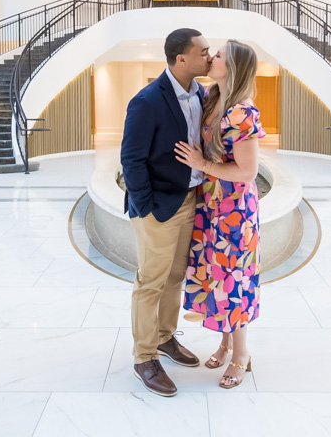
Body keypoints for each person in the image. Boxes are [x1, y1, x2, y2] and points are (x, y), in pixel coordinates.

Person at [120, 27, 212, 398]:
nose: (210, 56)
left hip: (190, 198)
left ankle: (164, 338)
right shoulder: (147, 101)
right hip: (159, 205)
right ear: (181, 59)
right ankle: (144, 357)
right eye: (203, 52)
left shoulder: (200, 93)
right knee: (151, 281)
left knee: (175, 275)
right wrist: (147, 208)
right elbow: (131, 159)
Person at [175, 39, 267, 390]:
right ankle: (227, 342)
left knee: (234, 280)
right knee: (216, 275)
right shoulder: (211, 98)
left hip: (234, 211)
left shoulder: (242, 112)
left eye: (218, 57)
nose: (211, 58)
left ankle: (241, 355)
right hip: (211, 205)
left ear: (233, 69)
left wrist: (202, 164)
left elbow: (247, 171)